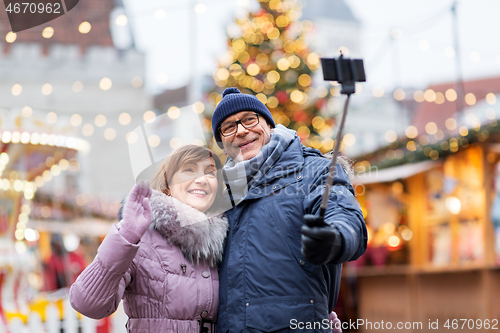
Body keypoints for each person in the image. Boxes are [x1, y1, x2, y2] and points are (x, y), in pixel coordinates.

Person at [211, 87, 367, 333]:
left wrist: (334, 238)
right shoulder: (217, 191)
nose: (241, 131)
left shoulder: (315, 170)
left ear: (269, 125)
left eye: (249, 119)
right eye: (228, 127)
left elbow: (345, 216)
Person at [70, 145, 228, 333]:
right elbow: (87, 303)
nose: (201, 179)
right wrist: (126, 236)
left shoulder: (226, 241)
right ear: (168, 185)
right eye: (189, 170)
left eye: (210, 172)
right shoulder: (142, 238)